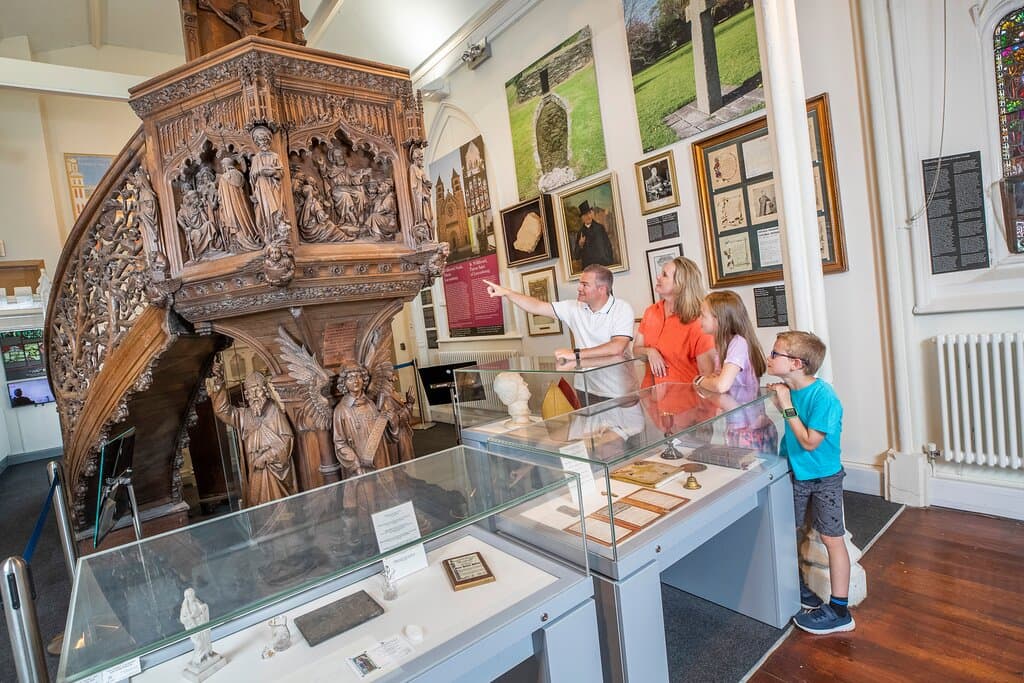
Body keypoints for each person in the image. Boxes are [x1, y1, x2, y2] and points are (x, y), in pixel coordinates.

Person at [766, 330, 854, 635]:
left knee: (832, 538)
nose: (770, 356)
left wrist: (786, 403)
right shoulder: (788, 390)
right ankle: (798, 589)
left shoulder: (824, 396)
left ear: (796, 364)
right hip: (795, 473)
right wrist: (782, 400)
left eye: (775, 353)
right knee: (786, 530)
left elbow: (808, 441)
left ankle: (840, 609)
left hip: (823, 477)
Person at [484, 264, 634, 363]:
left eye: (585, 284)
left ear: (602, 289)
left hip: (617, 387)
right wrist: (507, 293)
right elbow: (536, 306)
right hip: (586, 385)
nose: (579, 288)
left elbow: (617, 347)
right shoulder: (573, 307)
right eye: (579, 283)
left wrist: (575, 354)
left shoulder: (622, 309)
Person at [207, 361, 296, 507]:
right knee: (260, 508)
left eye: (258, 390)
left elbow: (287, 441)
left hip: (274, 470)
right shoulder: (244, 415)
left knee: (280, 509)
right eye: (250, 392)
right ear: (246, 395)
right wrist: (219, 382)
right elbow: (222, 411)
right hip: (255, 472)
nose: (254, 395)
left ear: (265, 391)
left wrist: (266, 457)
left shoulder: (274, 412)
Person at [634, 256, 715, 386]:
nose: (658, 277)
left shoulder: (699, 321)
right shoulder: (651, 312)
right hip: (651, 399)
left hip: (687, 402)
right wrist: (650, 351)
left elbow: (708, 374)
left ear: (680, 284)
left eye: (664, 275)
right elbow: (636, 350)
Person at [693, 290, 767, 393]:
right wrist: (712, 380)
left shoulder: (738, 343)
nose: (699, 319)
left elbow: (721, 386)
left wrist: (699, 380)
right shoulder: (723, 344)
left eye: (703, 315)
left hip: (743, 407)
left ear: (719, 319)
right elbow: (717, 381)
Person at [571, 200, 614, 268]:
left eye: (589, 213)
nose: (588, 216)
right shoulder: (580, 232)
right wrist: (580, 245)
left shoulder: (600, 228)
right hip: (588, 269)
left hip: (603, 265)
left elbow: (608, 246)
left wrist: (610, 263)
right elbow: (576, 256)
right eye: (585, 215)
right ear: (582, 218)